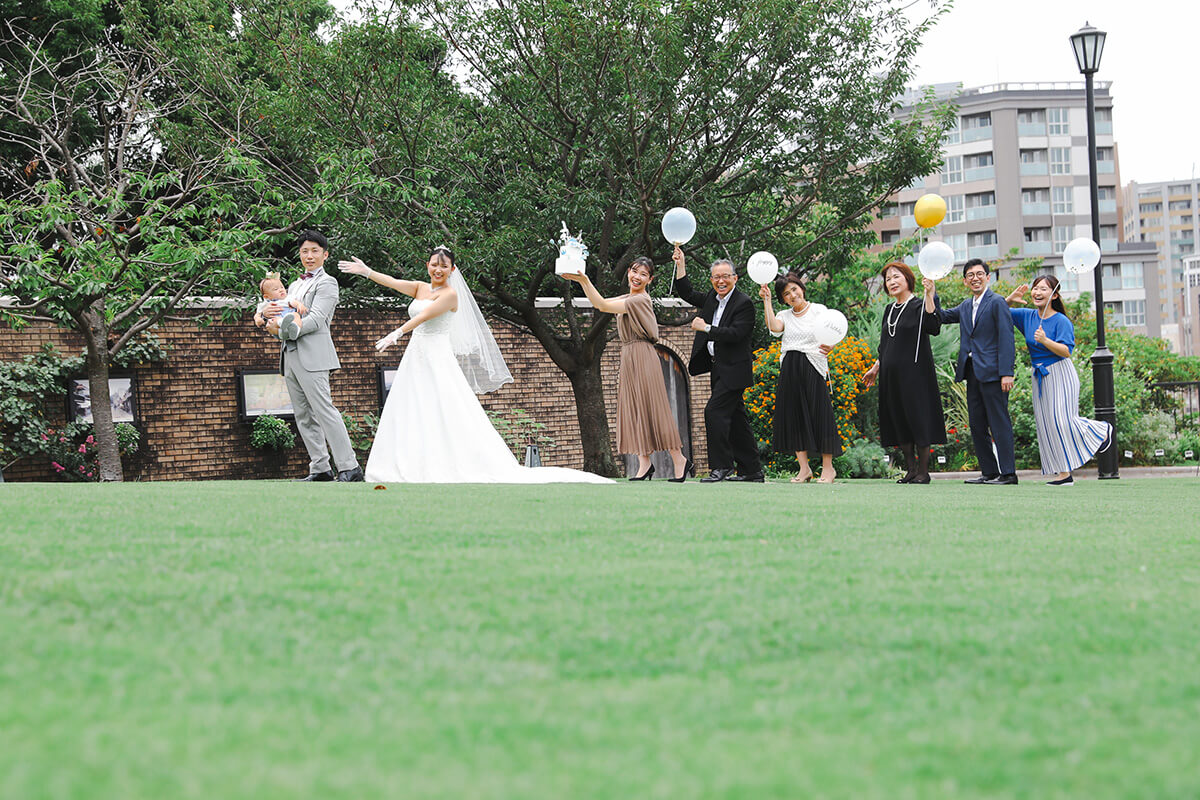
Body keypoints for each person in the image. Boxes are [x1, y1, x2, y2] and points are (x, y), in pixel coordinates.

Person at [339, 246, 612, 485]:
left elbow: (424, 316)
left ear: (452, 269)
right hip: (415, 355)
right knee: (412, 405)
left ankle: (448, 463)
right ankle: (410, 464)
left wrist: (397, 333)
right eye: (434, 264)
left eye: (443, 266)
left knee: (443, 407)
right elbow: (393, 282)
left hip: (436, 355)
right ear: (427, 265)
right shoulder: (421, 288)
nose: (437, 269)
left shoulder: (450, 295)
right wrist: (367, 272)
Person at [562, 258, 692, 481]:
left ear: (650, 280)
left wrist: (584, 280)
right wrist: (582, 281)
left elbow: (602, 306)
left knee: (655, 407)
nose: (637, 277)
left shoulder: (639, 300)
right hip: (630, 354)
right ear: (629, 272)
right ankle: (645, 463)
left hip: (643, 354)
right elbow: (600, 302)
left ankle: (679, 459)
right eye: (634, 271)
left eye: (643, 274)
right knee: (635, 408)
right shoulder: (630, 298)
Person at [254, 230, 362, 482]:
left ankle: (350, 467)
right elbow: (279, 316)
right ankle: (320, 468)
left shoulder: (328, 283)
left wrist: (283, 330)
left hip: (314, 356)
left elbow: (317, 319)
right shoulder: (293, 286)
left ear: (325, 255)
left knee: (325, 411)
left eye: (314, 251)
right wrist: (266, 318)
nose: (309, 256)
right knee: (303, 415)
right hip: (290, 355)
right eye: (304, 251)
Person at [1005, 275, 1113, 486]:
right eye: (1035, 288)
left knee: (1061, 421)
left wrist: (1045, 340)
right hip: (1039, 375)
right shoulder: (1026, 316)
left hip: (1060, 372)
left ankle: (1101, 430)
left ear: (1054, 295)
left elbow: (1066, 351)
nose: (1037, 292)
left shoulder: (1061, 321)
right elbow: (996, 311)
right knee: (1047, 425)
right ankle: (1064, 475)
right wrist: (1010, 299)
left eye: (1043, 289)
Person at [672, 246, 763, 483]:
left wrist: (706, 328)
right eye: (716, 277)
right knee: (737, 420)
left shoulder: (744, 303)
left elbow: (736, 334)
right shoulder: (712, 299)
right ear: (712, 280)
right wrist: (681, 265)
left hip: (735, 370)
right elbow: (687, 292)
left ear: (735, 278)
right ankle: (752, 471)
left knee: (714, 412)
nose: (720, 281)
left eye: (725, 276)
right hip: (718, 369)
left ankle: (721, 467)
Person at [862, 261, 945, 484]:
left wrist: (930, 295)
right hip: (891, 376)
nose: (892, 282)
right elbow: (885, 345)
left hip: (916, 375)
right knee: (899, 419)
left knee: (918, 419)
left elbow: (933, 327)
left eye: (896, 276)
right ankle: (910, 470)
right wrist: (876, 368)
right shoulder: (889, 310)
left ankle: (923, 472)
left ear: (908, 279)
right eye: (888, 279)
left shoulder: (920, 304)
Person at [936, 258, 1018, 485]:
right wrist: (932, 292)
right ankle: (989, 472)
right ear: (965, 281)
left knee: (998, 422)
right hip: (972, 372)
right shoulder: (965, 306)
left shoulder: (997, 302)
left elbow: (1006, 338)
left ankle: (1008, 473)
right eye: (970, 275)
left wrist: (1007, 372)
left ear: (988, 277)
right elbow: (941, 316)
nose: (975, 278)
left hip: (994, 373)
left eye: (979, 274)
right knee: (977, 423)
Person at [760, 273, 841, 483]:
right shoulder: (784, 315)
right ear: (783, 299)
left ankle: (828, 469)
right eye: (787, 294)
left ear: (802, 288)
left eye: (794, 289)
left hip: (813, 365)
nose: (792, 295)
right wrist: (767, 301)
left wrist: (832, 345)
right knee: (794, 417)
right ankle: (804, 469)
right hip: (790, 367)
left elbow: (835, 331)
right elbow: (774, 327)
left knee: (821, 415)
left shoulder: (819, 310)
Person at [256, 275, 306, 340]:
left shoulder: (287, 298)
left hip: (289, 317)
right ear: (266, 296)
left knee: (296, 315)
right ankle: (281, 330)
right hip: (276, 320)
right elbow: (258, 313)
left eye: (282, 287)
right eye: (275, 289)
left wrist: (299, 304)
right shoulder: (266, 303)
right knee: (271, 325)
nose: (281, 290)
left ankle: (296, 330)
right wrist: (258, 319)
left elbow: (293, 302)